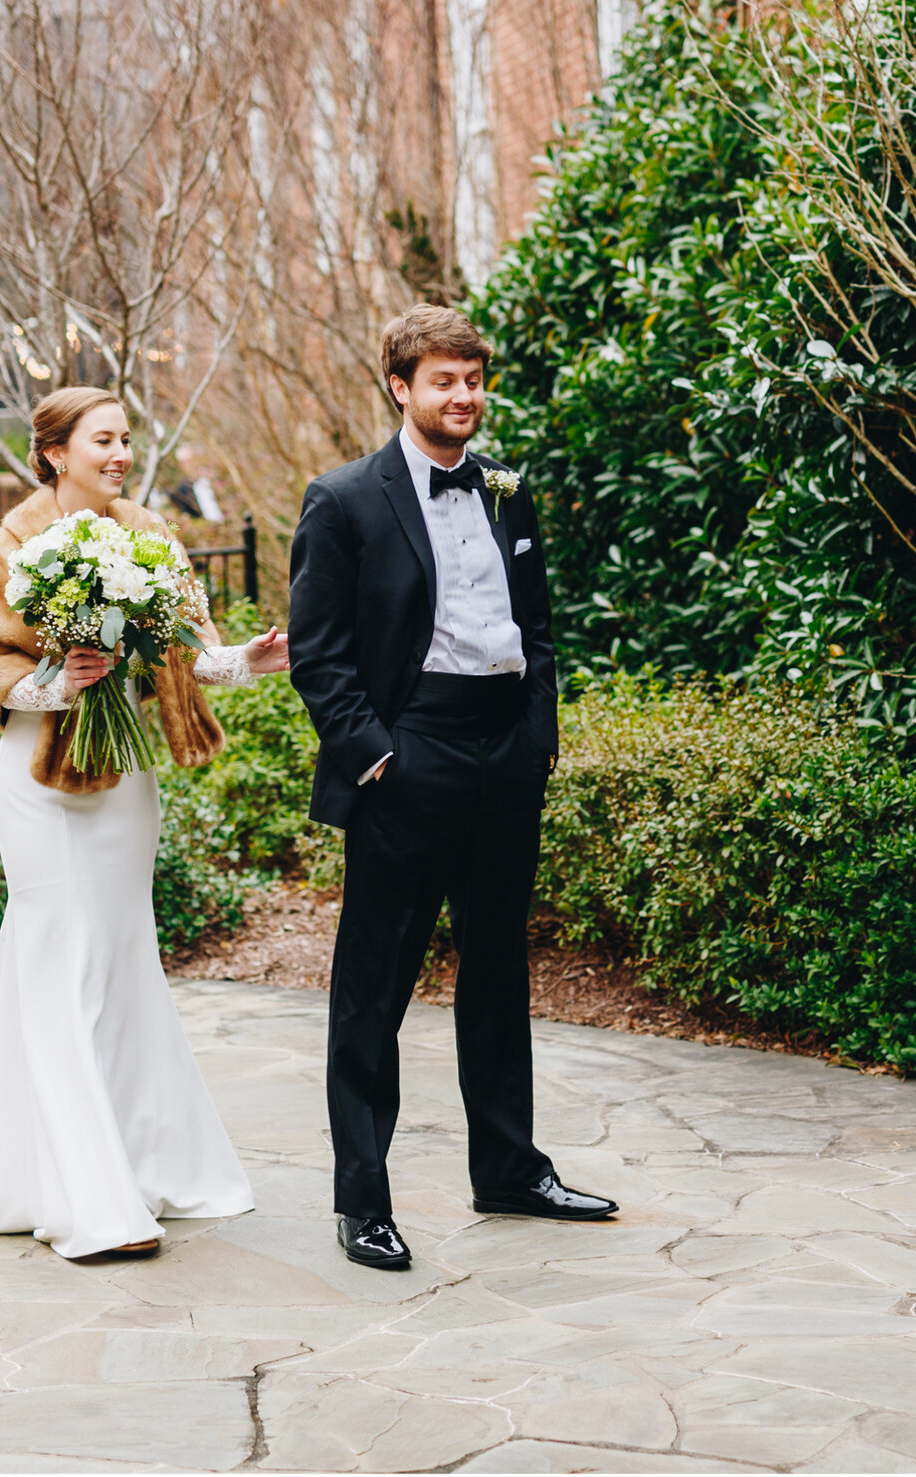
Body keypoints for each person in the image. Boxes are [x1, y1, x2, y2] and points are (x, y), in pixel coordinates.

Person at [0, 387, 281, 1258]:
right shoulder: (9, 546)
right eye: (102, 439)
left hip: (123, 785)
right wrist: (60, 685)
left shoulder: (150, 534)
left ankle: (130, 1158)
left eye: (126, 440)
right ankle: (87, 1201)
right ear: (54, 451)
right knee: (57, 957)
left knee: (116, 958)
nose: (120, 454)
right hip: (37, 782)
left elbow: (191, 653)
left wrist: (245, 661)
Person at [286, 303, 615, 1273]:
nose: (464, 395)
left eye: (473, 379)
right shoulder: (344, 499)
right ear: (400, 386)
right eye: (444, 380)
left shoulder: (509, 489)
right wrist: (376, 754)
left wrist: (538, 736)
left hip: (503, 751)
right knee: (374, 985)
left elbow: (538, 625)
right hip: (410, 751)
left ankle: (508, 1167)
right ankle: (362, 1199)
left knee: (499, 967)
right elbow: (319, 653)